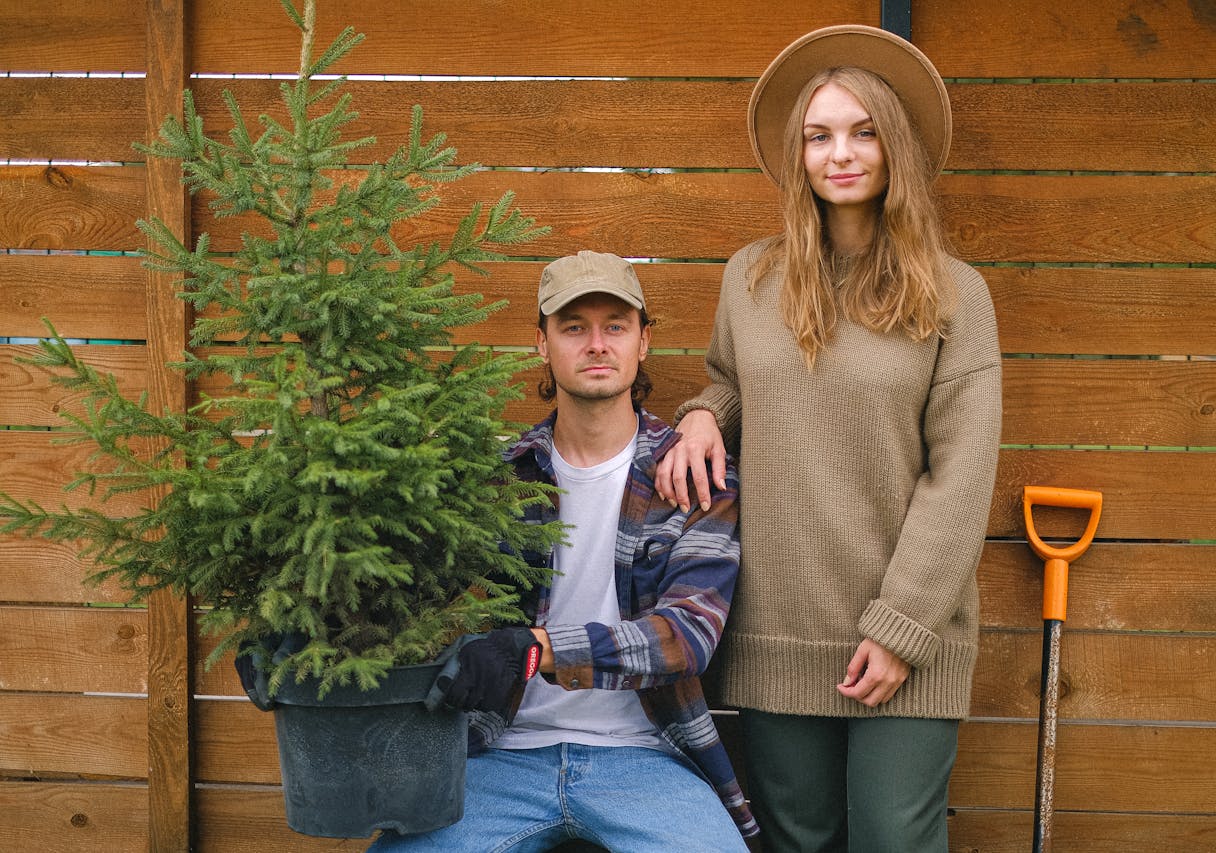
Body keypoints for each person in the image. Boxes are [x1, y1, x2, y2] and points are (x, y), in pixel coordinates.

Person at [654, 25, 1002, 853]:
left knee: (893, 838)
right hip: (779, 625)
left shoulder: (956, 295)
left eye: (863, 130)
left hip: (906, 639)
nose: (840, 153)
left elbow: (962, 471)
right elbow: (737, 381)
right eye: (819, 135)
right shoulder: (751, 277)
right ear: (797, 153)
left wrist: (902, 626)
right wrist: (704, 412)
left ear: (896, 146)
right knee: (795, 840)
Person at [369, 250, 757, 852]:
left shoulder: (694, 477)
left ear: (644, 342)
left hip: (645, 757)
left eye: (615, 326)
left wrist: (539, 648)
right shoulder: (498, 479)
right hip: (500, 753)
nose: (596, 344)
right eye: (574, 327)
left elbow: (687, 635)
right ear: (541, 345)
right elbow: (407, 596)